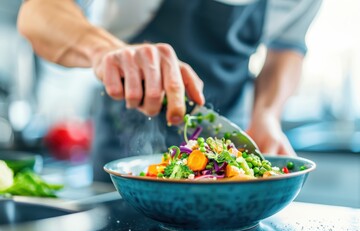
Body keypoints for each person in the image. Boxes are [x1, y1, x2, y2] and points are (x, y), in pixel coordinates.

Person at [17, 0, 322, 182]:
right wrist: (106, 51)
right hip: (121, 148)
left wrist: (267, 115)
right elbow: (36, 13)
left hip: (233, 131)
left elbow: (286, 47)